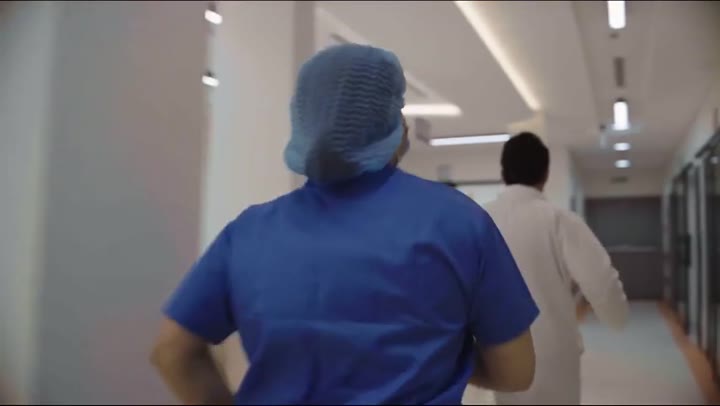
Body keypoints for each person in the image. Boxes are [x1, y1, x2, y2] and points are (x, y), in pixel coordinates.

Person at [150, 44, 539, 405]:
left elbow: (172, 353)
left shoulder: (248, 233)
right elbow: (516, 371)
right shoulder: (460, 222)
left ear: (303, 122)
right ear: (394, 126)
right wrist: (447, 351)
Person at [483, 132, 629, 405]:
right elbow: (602, 280)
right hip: (553, 351)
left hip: (501, 350)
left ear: (503, 173)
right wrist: (617, 318)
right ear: (546, 174)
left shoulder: (480, 220)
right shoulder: (560, 220)